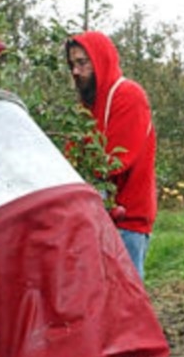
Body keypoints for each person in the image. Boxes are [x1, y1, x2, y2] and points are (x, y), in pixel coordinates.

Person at [65, 31, 158, 279]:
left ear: (100, 60)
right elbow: (72, 153)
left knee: (124, 304)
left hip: (126, 221)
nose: (75, 71)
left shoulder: (128, 96)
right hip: (94, 218)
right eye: (72, 64)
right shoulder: (87, 106)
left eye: (82, 63)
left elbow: (114, 163)